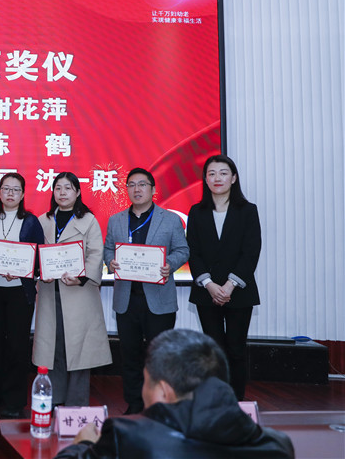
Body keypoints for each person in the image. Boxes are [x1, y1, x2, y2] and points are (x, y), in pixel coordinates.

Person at [54, 329, 294, 459]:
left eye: (146, 382)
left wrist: (83, 444)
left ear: (163, 392)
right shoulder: (277, 445)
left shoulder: (126, 437)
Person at [102, 167, 189, 414]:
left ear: (153, 189)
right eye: (131, 185)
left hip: (158, 300)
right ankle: (135, 403)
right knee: (130, 356)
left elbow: (183, 250)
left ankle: (160, 404)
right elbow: (108, 249)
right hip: (126, 299)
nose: (136, 189)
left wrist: (170, 264)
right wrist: (110, 262)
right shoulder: (116, 220)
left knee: (159, 356)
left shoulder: (170, 219)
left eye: (142, 184)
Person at [34, 172, 112, 407]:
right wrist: (39, 270)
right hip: (50, 293)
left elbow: (96, 253)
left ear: (77, 192)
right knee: (53, 349)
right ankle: (54, 401)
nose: (62, 193)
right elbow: (34, 253)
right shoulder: (43, 220)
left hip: (79, 294)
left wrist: (81, 278)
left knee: (79, 351)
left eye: (68, 188)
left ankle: (76, 405)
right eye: (58, 188)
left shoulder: (89, 220)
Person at [188, 155, 262, 401]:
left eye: (223, 173)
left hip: (239, 291)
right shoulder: (196, 212)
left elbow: (251, 252)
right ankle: (215, 402)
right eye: (211, 173)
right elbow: (193, 252)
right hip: (206, 292)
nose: (217, 178)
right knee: (213, 351)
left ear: (233, 178)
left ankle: (236, 402)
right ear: (205, 179)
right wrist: (209, 285)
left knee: (236, 350)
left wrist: (230, 285)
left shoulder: (248, 211)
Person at [0, 172, 44, 418]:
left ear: (23, 194)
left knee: (17, 345)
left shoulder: (31, 222)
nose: (10, 193)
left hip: (19, 291)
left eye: (16, 190)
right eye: (6, 188)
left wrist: (20, 270)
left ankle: (14, 400)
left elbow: (39, 257)